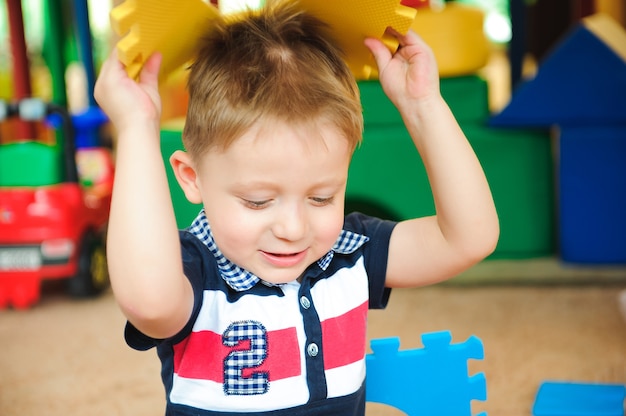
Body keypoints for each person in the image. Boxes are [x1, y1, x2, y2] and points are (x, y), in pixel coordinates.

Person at [94, 1, 499, 414]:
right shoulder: (192, 271)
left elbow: (468, 238)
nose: (292, 228)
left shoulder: (347, 253)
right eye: (258, 201)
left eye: (321, 197)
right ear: (192, 177)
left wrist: (422, 105)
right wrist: (135, 126)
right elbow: (150, 303)